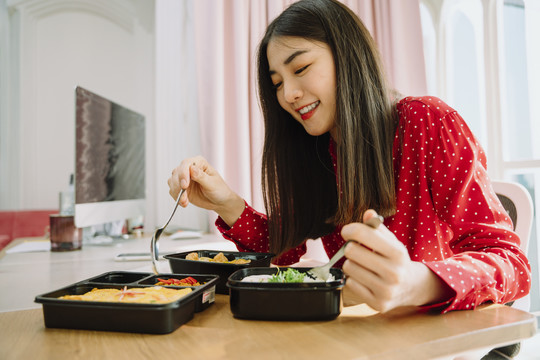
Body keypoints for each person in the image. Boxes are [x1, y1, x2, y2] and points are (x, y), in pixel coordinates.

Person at [168, 0, 531, 314]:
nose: (289, 94)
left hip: (429, 335)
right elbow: (284, 248)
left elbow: (511, 262)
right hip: (357, 333)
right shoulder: (318, 151)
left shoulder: (426, 122)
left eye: (301, 68)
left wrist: (417, 283)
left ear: (348, 55)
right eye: (277, 82)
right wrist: (226, 202)